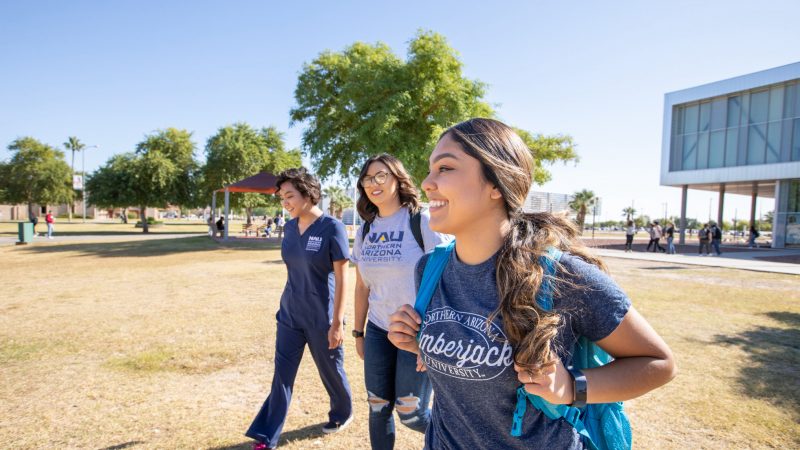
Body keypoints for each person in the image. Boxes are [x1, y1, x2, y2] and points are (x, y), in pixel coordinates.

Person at [387, 118, 676, 449]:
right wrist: (418, 340)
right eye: (430, 169)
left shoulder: (563, 276)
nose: (427, 182)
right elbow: (462, 362)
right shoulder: (429, 269)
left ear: (496, 183)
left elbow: (659, 363)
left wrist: (571, 387)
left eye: (445, 168)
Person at [246, 167, 353, 450]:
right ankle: (266, 436)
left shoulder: (333, 227)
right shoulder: (290, 227)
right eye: (282, 197)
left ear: (309, 194)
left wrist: (337, 322)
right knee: (282, 375)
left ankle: (343, 412)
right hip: (290, 314)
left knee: (331, 371)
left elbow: (343, 277)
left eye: (290, 196)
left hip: (322, 317)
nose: (285, 202)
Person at [351, 154, 451, 449]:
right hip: (379, 330)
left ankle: (462, 439)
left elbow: (447, 279)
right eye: (368, 179)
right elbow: (361, 287)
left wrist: (433, 338)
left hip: (417, 332)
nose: (373, 184)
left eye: (381, 176)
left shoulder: (423, 221)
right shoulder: (365, 230)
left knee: (412, 414)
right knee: (378, 405)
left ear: (398, 179)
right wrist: (359, 333)